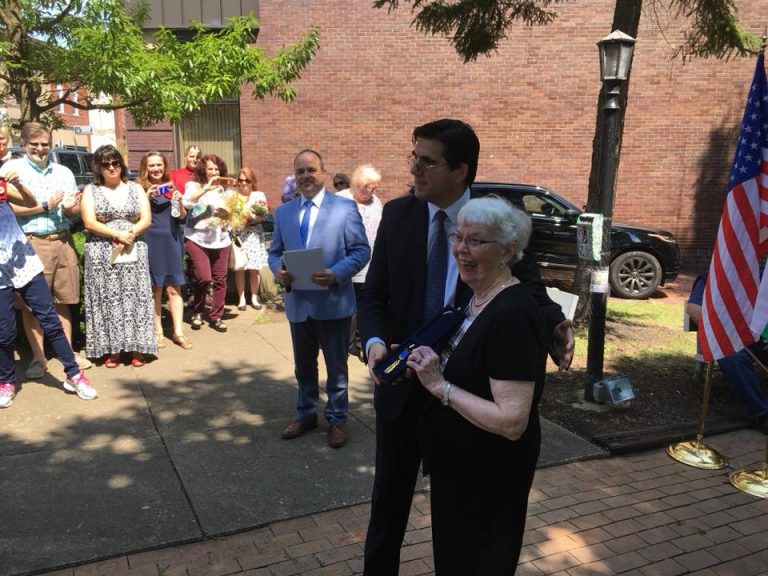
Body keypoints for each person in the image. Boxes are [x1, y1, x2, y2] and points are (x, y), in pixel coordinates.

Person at [357, 119, 574, 575]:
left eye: (427, 162)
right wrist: (374, 343)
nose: (414, 169)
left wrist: (556, 323)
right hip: (401, 389)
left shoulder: (493, 225)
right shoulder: (397, 215)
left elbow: (528, 288)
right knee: (388, 506)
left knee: (459, 517)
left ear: (460, 170)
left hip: (463, 402)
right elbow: (374, 294)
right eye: (413, 158)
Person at [405, 196, 546, 574]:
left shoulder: (513, 313)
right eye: (458, 237)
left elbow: (511, 421)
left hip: (488, 475)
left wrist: (440, 386)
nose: (460, 249)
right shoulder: (479, 297)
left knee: (478, 562)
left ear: (508, 251)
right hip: (461, 467)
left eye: (475, 240)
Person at [268, 149, 370, 448]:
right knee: (303, 366)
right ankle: (306, 414)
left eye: (311, 170)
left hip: (333, 303)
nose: (305, 176)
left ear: (323, 173)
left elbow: (361, 251)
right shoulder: (284, 212)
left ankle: (337, 420)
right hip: (299, 303)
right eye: (300, 171)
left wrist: (337, 273)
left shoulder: (345, 208)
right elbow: (274, 252)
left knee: (336, 368)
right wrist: (278, 271)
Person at [0, 175, 97, 407]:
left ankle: (74, 375)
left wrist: (19, 184)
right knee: (4, 332)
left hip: (23, 263)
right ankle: (6, 382)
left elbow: (29, 201)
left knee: (50, 320)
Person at [6, 122, 91, 380]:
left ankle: (69, 354)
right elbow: (9, 208)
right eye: (34, 144)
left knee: (64, 301)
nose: (40, 149)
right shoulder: (12, 170)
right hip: (30, 243)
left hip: (63, 240)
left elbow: (72, 210)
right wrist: (44, 206)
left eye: (45, 144)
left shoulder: (63, 172)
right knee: (32, 306)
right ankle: (38, 358)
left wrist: (71, 206)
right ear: (24, 144)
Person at [80, 145, 156, 367]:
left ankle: (137, 348)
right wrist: (116, 234)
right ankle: (112, 350)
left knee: (135, 298)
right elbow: (89, 222)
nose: (112, 168)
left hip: (133, 249)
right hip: (102, 253)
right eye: (106, 164)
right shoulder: (91, 190)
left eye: (115, 163)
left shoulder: (135, 188)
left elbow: (146, 219)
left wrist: (128, 234)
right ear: (99, 167)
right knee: (108, 298)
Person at [687, 273, 768, 433]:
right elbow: (693, 308)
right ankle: (763, 413)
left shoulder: (758, 275)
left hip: (759, 338)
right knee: (731, 358)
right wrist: (722, 329)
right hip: (727, 337)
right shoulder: (712, 275)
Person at [137, 151, 191, 350]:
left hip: (172, 240)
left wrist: (179, 202)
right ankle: (157, 331)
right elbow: (134, 216)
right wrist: (146, 197)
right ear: (145, 168)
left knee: (174, 287)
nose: (156, 169)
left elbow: (182, 217)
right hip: (151, 242)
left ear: (164, 166)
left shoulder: (172, 186)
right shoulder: (138, 189)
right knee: (156, 288)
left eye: (159, 165)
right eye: (151, 165)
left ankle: (178, 332)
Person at [182, 154, 233, 333]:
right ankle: (197, 310)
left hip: (221, 239)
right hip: (197, 238)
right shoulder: (193, 185)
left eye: (216, 169)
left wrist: (228, 214)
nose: (214, 172)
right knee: (203, 277)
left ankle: (216, 316)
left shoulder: (226, 190)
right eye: (210, 168)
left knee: (220, 279)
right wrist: (206, 188)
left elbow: (234, 214)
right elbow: (187, 202)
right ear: (203, 170)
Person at [336, 165, 384, 356]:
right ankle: (345, 345)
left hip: (371, 264)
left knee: (365, 305)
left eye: (374, 187)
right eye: (368, 187)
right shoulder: (340, 199)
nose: (371, 191)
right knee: (348, 307)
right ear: (357, 184)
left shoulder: (376, 201)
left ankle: (361, 342)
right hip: (347, 263)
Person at [232, 167, 269, 311]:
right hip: (239, 235)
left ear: (252, 181)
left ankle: (254, 297)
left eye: (247, 180)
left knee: (254, 268)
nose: (243, 183)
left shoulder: (258, 195)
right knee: (240, 268)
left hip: (253, 234)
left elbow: (263, 215)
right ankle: (241, 298)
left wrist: (252, 219)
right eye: (240, 180)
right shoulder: (233, 196)